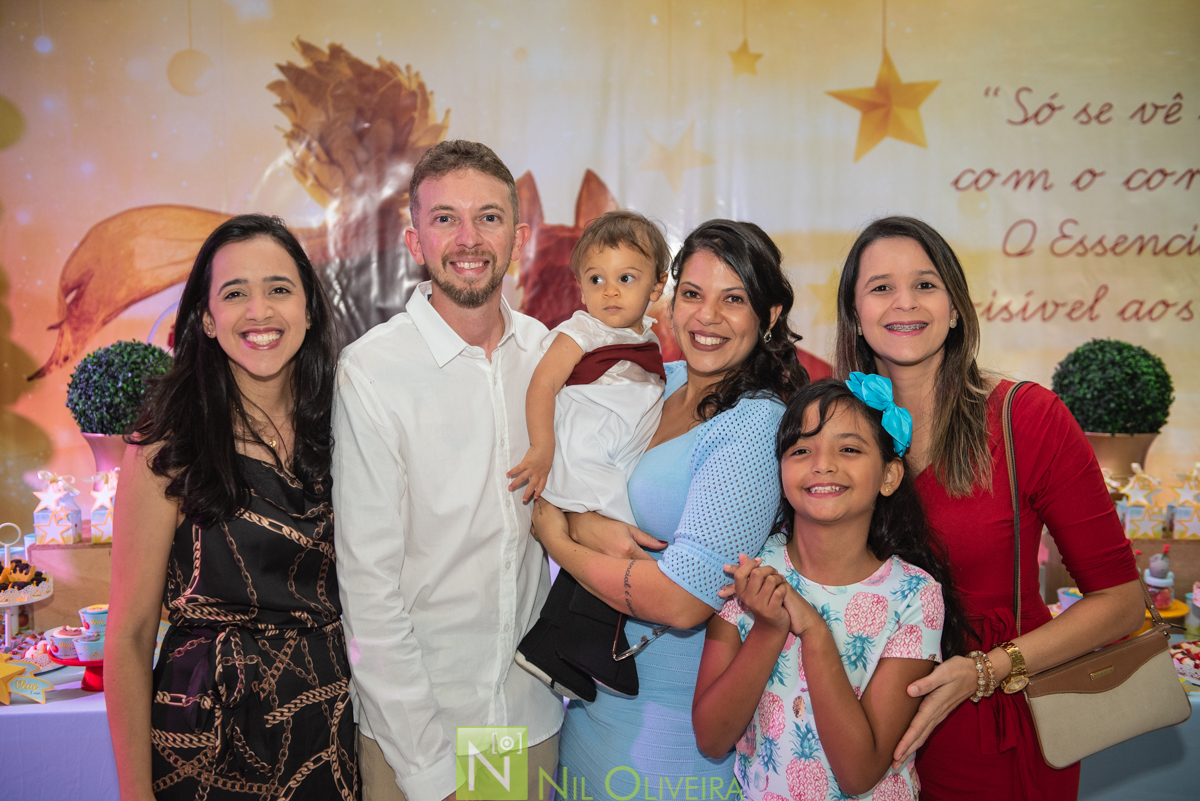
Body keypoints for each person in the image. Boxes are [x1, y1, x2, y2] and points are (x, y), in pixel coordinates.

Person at [834, 216, 1143, 800]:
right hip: (855, 726)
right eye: (881, 287)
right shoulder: (832, 433)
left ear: (955, 308)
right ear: (855, 313)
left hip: (990, 727)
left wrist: (989, 669)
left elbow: (1122, 603)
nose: (905, 303)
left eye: (926, 284)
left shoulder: (1028, 419)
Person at [530, 219, 808, 798]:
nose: (707, 316)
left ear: (771, 314)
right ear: (669, 296)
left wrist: (556, 538)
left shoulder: (753, 423)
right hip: (583, 712)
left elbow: (682, 603)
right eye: (693, 294)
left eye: (734, 299)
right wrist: (582, 522)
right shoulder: (661, 376)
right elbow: (584, 472)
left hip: (667, 741)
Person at [331, 140, 563, 801]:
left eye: (488, 217)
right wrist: (431, 771)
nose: (469, 238)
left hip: (526, 718)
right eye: (445, 218)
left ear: (516, 238)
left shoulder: (548, 357)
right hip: (417, 733)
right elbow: (369, 589)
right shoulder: (373, 371)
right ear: (414, 239)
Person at [105, 214, 357, 800]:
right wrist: (134, 793)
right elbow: (130, 635)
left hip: (328, 727)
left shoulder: (352, 432)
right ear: (207, 319)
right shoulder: (166, 450)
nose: (259, 311)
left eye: (278, 289)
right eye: (235, 293)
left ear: (309, 309)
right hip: (200, 738)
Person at [693, 376, 971, 801]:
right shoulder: (748, 569)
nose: (822, 464)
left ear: (890, 475)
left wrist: (815, 633)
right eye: (801, 450)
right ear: (780, 471)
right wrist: (769, 629)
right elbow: (711, 738)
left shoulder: (915, 596)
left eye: (849, 449)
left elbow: (860, 773)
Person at [510, 210, 671, 701]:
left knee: (615, 538)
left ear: (657, 287)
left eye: (626, 278)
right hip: (584, 449)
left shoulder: (644, 338)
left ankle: (556, 647)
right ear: (580, 288)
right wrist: (542, 448)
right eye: (596, 280)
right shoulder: (581, 330)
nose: (610, 292)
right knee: (621, 540)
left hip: (611, 451)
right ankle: (584, 641)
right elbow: (543, 384)